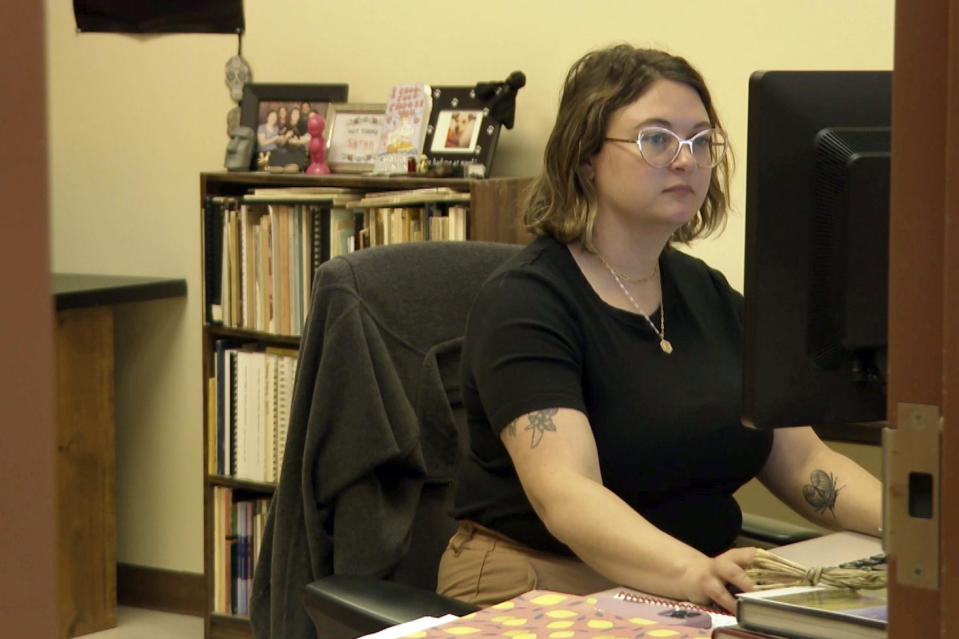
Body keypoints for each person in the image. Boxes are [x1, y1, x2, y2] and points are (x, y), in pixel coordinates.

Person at [436, 44, 882, 614]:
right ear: (585, 157)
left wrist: (919, 528)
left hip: (690, 586)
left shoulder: (710, 295)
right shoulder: (524, 303)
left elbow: (803, 463)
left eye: (700, 142)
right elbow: (567, 496)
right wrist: (695, 573)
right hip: (540, 579)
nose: (686, 161)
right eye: (657, 139)